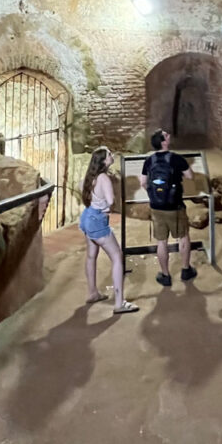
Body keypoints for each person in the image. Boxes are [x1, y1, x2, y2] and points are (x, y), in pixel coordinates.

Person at [79, 146, 139, 314]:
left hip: (88, 216)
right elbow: (111, 200)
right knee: (117, 257)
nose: (112, 156)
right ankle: (119, 303)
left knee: (91, 256)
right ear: (104, 161)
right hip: (98, 221)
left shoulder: (91, 176)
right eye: (109, 155)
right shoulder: (104, 178)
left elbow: (82, 189)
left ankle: (92, 293)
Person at [139, 129, 197, 287]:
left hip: (156, 207)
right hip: (175, 206)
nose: (169, 135)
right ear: (163, 142)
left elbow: (143, 182)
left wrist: (154, 194)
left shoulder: (149, 160)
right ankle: (186, 270)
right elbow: (190, 176)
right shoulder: (177, 159)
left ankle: (165, 275)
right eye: (166, 135)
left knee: (161, 242)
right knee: (183, 236)